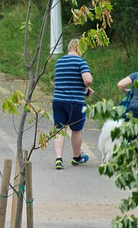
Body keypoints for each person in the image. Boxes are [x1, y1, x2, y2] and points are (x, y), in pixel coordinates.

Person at [52, 38, 94, 170]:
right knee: (76, 130)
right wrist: (86, 87)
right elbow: (87, 80)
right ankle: (76, 157)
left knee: (59, 129)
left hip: (58, 100)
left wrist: (84, 90)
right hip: (75, 101)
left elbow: (64, 80)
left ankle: (58, 159)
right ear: (79, 48)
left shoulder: (59, 62)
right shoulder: (81, 62)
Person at [117, 57, 138, 126]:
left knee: (131, 132)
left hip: (133, 108)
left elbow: (120, 85)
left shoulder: (136, 75)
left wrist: (129, 91)